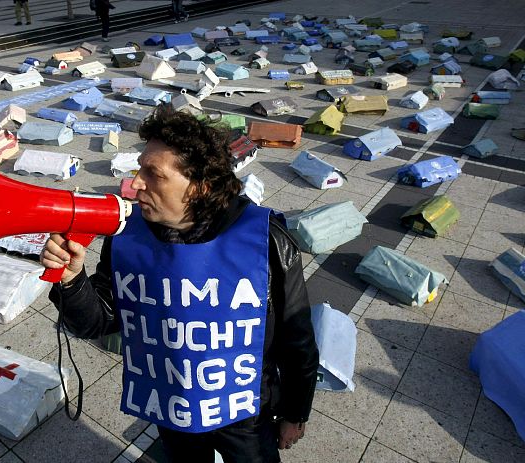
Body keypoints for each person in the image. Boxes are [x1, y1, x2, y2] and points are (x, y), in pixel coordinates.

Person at [41, 105, 318, 463]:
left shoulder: (264, 241)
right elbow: (98, 321)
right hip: (173, 408)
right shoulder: (127, 234)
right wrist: (72, 281)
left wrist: (296, 412)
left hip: (245, 413)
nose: (135, 182)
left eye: (153, 174)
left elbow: (296, 338)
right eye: (139, 167)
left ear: (198, 187)